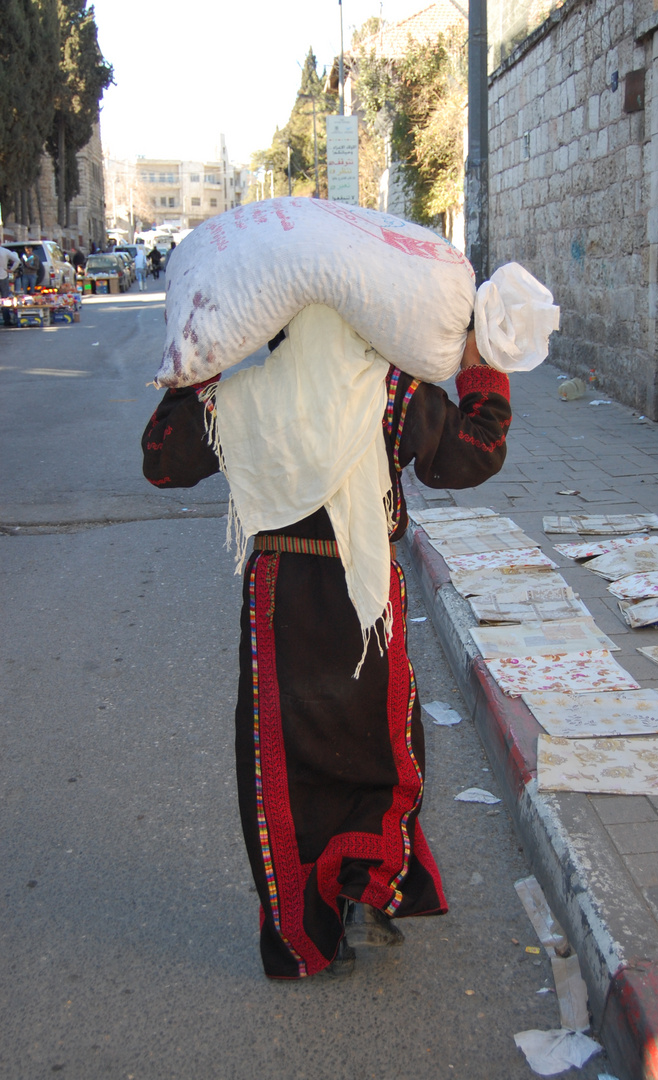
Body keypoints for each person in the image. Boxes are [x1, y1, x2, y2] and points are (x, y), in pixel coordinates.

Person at [141, 308, 511, 980]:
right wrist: (481, 367)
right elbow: (474, 455)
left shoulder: (243, 397)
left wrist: (195, 372)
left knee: (286, 764)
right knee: (382, 746)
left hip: (281, 596)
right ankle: (369, 881)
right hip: (365, 596)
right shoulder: (391, 394)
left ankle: (307, 930)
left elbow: (162, 463)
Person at [0, 245, 21, 326]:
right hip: (3, 275)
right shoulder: (5, 251)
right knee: (5, 299)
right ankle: (7, 320)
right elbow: (17, 260)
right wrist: (12, 269)